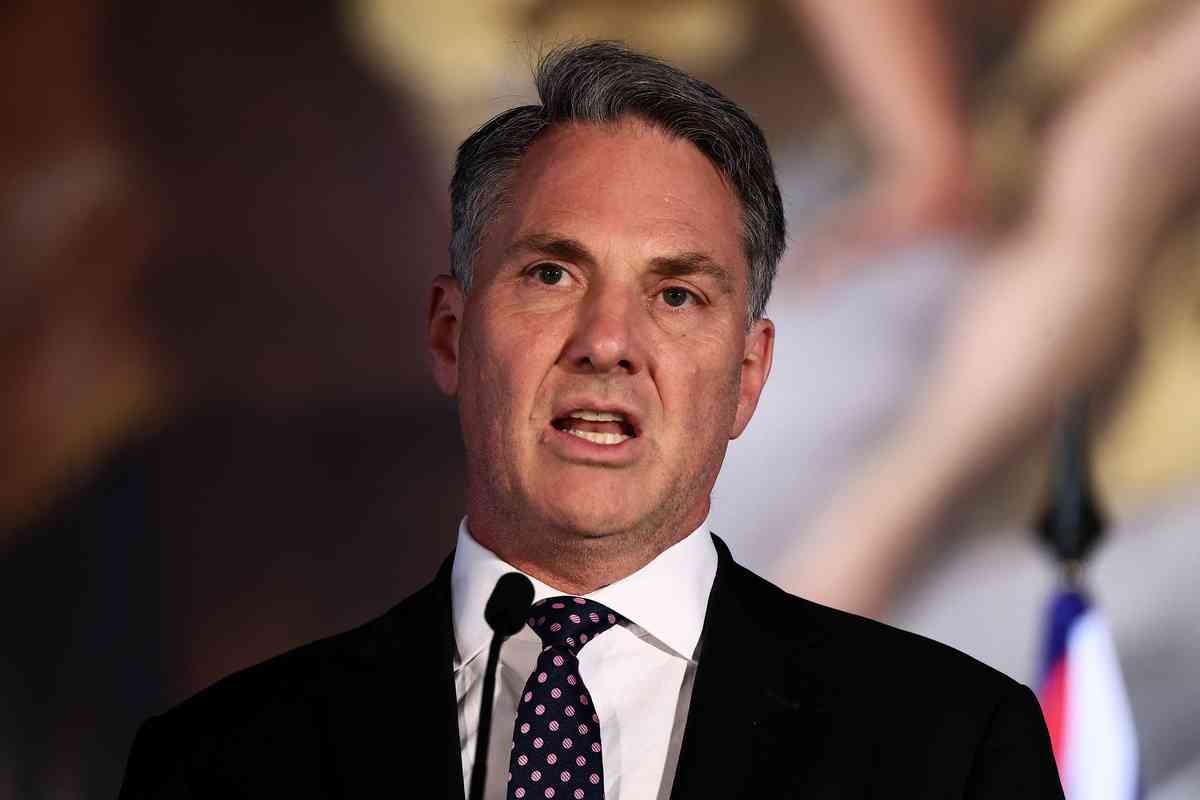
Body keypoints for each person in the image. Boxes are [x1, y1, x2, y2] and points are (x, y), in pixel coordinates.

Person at [117, 42, 1063, 799]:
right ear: (450, 335)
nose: (607, 343)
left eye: (676, 296)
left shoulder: (964, 736)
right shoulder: (213, 761)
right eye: (549, 277)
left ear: (748, 372)